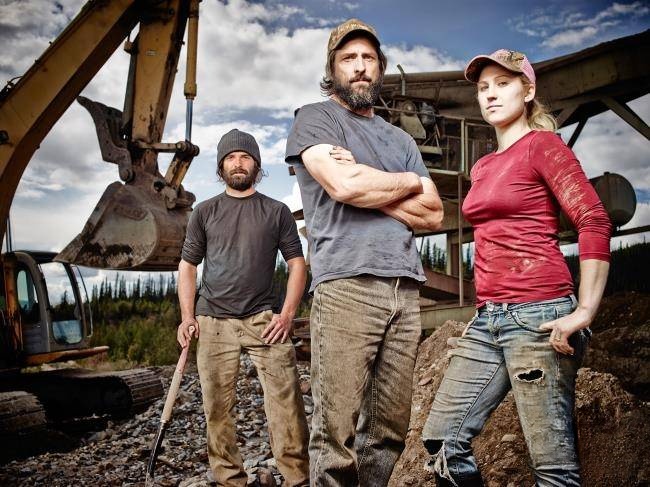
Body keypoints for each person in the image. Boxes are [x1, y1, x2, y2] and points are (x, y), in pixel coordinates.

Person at [421, 50, 612, 486]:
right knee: (442, 441)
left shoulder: (543, 146)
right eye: (483, 88)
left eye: (503, 84)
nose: (490, 94)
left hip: (539, 315)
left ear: (527, 92)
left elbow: (593, 219)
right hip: (489, 318)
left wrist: (584, 311)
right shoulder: (483, 166)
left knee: (552, 468)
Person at [285, 18, 444, 486]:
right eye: (348, 58)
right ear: (332, 68)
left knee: (388, 433)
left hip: (405, 290)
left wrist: (375, 186)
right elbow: (344, 184)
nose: (359, 67)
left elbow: (434, 214)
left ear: (380, 68)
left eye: (368, 58)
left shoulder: (401, 139)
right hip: (346, 285)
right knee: (334, 433)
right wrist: (408, 183)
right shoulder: (315, 119)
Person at [177, 129, 310, 487]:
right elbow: (188, 267)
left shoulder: (276, 211)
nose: (238, 163)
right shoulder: (204, 212)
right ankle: (230, 479)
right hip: (213, 321)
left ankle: (297, 478)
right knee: (217, 408)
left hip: (266, 319)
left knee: (287, 404)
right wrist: (187, 317)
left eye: (245, 157)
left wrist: (287, 314)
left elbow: (297, 264)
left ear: (257, 165)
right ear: (221, 167)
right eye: (231, 158)